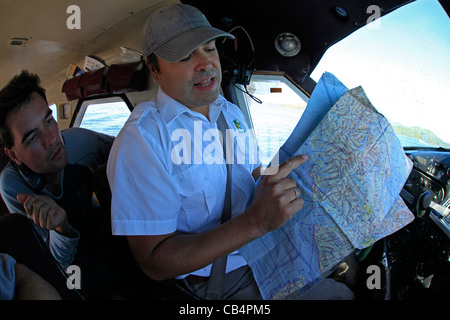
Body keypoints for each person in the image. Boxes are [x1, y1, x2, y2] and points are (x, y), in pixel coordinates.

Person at [106, 4, 308, 300]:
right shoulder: (143, 140)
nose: (205, 64)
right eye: (185, 56)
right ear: (154, 68)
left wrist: (276, 181)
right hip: (221, 279)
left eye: (210, 48)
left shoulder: (230, 111)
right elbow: (154, 261)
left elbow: (251, 174)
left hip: (266, 245)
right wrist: (256, 222)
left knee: (348, 268)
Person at [0, 71, 116, 297]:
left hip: (106, 235)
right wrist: (61, 228)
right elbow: (53, 262)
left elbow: (131, 153)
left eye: (49, 121)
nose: (51, 139)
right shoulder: (12, 185)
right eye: (32, 137)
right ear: (14, 155)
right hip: (71, 263)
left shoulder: (82, 141)